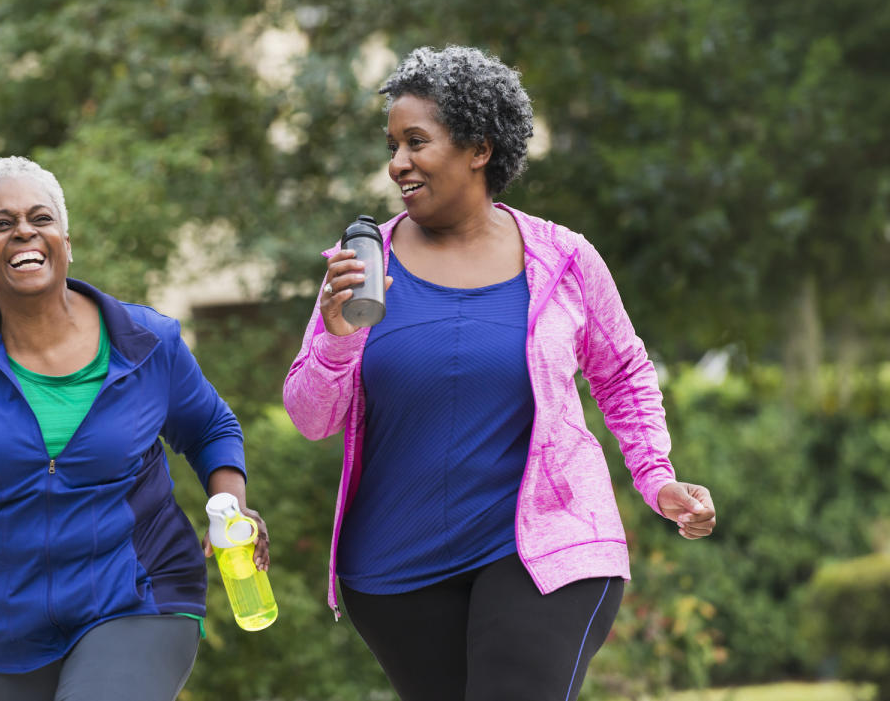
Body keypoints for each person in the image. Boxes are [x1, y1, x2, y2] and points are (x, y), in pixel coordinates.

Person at [283, 46, 716, 701]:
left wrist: (656, 473)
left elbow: (623, 373)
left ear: (479, 149)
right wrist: (338, 338)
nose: (396, 162)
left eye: (416, 142)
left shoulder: (565, 260)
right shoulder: (361, 267)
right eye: (393, 144)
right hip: (395, 571)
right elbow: (311, 418)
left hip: (544, 552)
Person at [0, 156, 269, 701]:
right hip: (3, 631)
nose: (24, 230)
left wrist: (229, 506)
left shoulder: (146, 342)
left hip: (139, 597)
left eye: (39, 218)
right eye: (1, 224)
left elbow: (211, 426)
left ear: (65, 241)